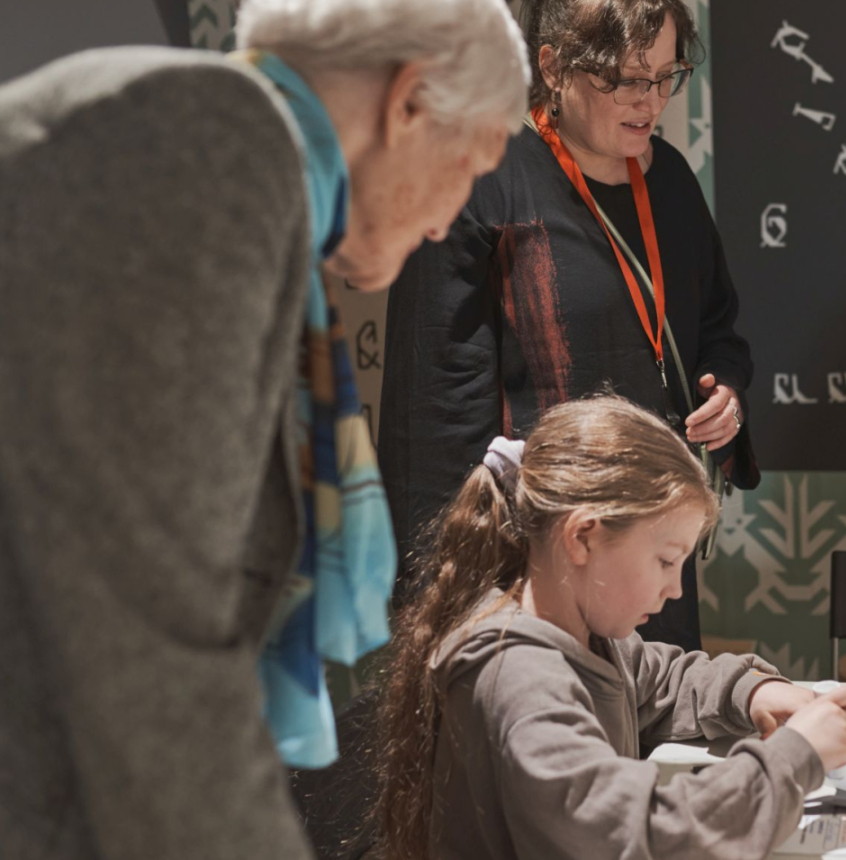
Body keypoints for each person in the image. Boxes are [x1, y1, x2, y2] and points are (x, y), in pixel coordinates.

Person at [0, 0, 528, 856]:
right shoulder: (217, 145)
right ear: (409, 103)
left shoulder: (211, 147)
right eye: (470, 165)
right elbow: (151, 630)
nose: (445, 222)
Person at [377, 0, 758, 653]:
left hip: (650, 549)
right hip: (533, 562)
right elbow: (435, 412)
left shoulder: (668, 180)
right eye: (624, 80)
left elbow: (717, 324)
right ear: (553, 68)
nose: (650, 101)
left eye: (666, 76)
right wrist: (449, 591)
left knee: (653, 730)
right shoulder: (479, 181)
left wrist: (721, 389)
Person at [373, 396, 846, 860]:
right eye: (667, 561)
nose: (675, 589)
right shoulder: (518, 678)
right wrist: (795, 758)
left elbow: (664, 680)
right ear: (583, 537)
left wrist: (752, 692)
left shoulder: (588, 634)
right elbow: (636, 835)